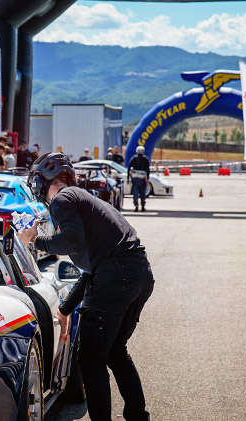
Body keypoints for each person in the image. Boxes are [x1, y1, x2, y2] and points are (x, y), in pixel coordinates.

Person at [18, 153, 154, 421]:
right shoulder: (82, 198)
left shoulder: (62, 199)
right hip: (137, 274)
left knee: (91, 359)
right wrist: (66, 308)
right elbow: (92, 268)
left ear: (43, 181)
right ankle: (138, 416)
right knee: (114, 352)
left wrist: (34, 240)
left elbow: (72, 242)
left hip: (116, 275)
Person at [127, 146, 150, 212]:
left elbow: (129, 168)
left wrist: (128, 177)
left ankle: (136, 206)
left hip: (135, 177)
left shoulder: (133, 158)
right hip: (143, 177)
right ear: (143, 152)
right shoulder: (145, 159)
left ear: (137, 151)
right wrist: (147, 178)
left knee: (135, 192)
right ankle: (143, 206)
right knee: (143, 192)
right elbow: (147, 169)